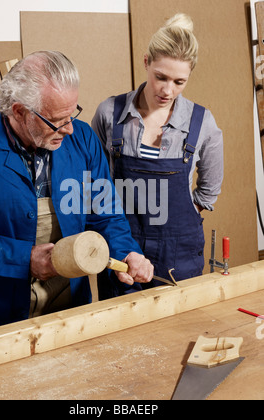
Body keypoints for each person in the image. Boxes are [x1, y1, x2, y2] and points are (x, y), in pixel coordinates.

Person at [0, 51, 153, 333]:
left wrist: (126, 253)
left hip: (68, 309)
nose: (69, 130)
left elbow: (106, 216)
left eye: (72, 115)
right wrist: (23, 260)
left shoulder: (84, 142)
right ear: (19, 111)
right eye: (57, 120)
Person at [91, 13, 223, 292]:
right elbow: (95, 183)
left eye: (179, 82)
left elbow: (208, 191)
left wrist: (181, 218)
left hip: (179, 252)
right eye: (160, 77)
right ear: (146, 62)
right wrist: (117, 239)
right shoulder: (109, 114)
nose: (167, 90)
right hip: (122, 247)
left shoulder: (202, 123)